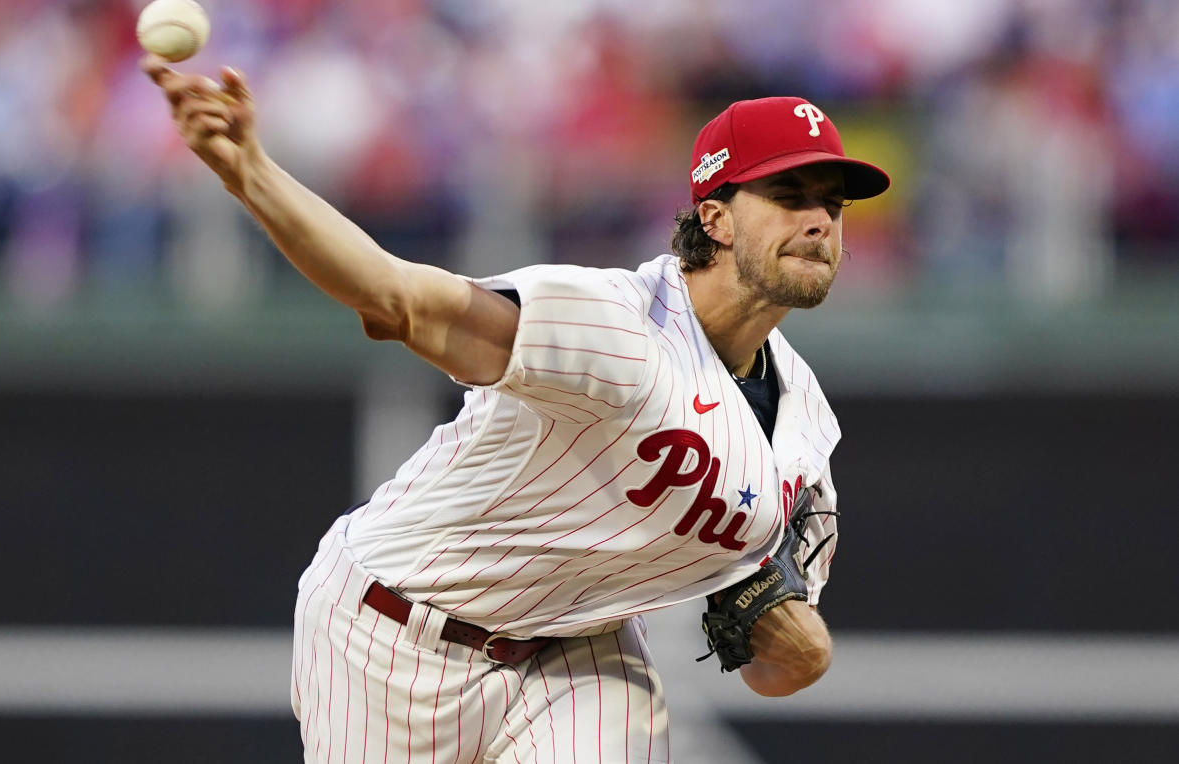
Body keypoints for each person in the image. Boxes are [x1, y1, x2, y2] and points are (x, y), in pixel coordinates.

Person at [143, 53, 890, 763]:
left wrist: (798, 644)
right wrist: (250, 173)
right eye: (789, 196)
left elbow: (770, 666)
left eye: (832, 201)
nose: (821, 219)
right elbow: (398, 300)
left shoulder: (806, 432)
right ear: (717, 217)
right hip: (391, 629)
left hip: (579, 653)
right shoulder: (616, 326)